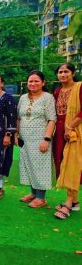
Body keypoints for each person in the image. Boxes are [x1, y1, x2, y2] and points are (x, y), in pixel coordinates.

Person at [16, 70, 56, 208]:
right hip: (25, 139)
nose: (33, 84)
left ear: (43, 83)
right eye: (30, 81)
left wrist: (46, 139)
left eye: (36, 81)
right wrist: (17, 134)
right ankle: (33, 193)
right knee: (28, 165)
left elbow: (52, 119)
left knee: (40, 167)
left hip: (40, 139)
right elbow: (19, 117)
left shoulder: (48, 97)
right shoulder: (23, 98)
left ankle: (41, 198)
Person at [54, 64, 82, 219]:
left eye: (66, 71)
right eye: (60, 72)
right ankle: (75, 201)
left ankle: (69, 202)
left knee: (73, 164)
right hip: (59, 131)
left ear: (73, 73)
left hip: (74, 131)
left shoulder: (80, 87)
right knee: (62, 162)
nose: (63, 74)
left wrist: (69, 127)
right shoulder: (57, 91)